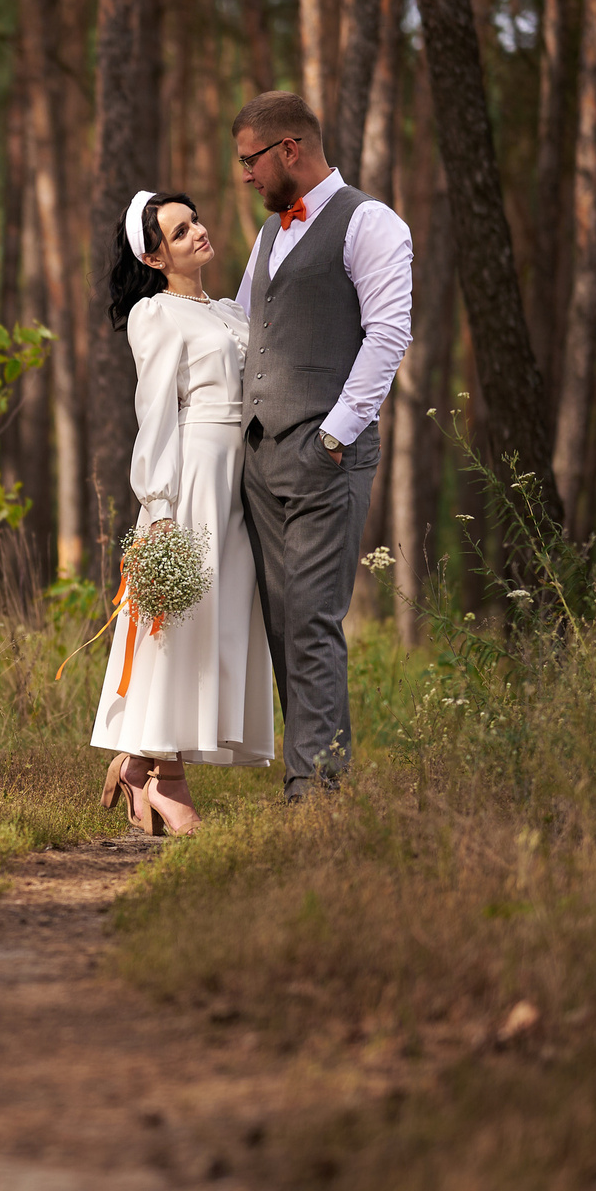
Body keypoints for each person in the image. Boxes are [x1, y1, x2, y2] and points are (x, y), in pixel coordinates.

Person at [229, 91, 413, 801]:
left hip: (323, 457)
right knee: (282, 624)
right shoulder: (271, 233)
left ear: (288, 151)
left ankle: (320, 792)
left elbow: (388, 335)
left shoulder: (370, 222)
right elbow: (245, 325)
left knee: (311, 618)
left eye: (250, 159)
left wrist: (334, 435)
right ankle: (305, 776)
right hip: (261, 457)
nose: (245, 175)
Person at [91, 189, 275, 836]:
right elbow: (155, 414)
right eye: (179, 229)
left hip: (240, 481)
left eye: (195, 219)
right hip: (192, 480)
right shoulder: (156, 314)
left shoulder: (228, 311)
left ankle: (141, 764)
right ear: (153, 254)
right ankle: (166, 779)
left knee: (218, 623)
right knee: (183, 623)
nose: (198, 230)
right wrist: (161, 508)